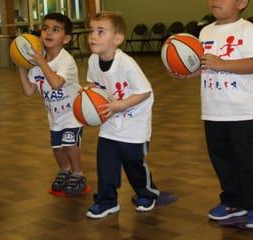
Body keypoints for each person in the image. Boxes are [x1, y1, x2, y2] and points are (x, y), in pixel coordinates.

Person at [193, 0, 253, 229]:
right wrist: (186, 70)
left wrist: (221, 64)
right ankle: (232, 200)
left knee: (248, 161)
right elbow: (203, 65)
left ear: (242, 2)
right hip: (213, 111)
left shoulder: (248, 30)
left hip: (242, 112)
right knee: (222, 160)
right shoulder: (204, 32)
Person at [84, 12, 177, 219]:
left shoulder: (126, 64)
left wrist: (120, 105)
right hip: (109, 125)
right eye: (91, 31)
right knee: (105, 165)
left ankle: (147, 194)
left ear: (117, 39)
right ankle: (107, 201)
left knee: (134, 164)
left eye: (100, 32)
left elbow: (144, 91)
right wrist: (88, 97)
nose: (93, 36)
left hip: (134, 125)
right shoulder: (92, 60)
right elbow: (94, 85)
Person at [17, 13, 87, 196]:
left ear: (66, 38)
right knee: (57, 149)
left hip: (73, 114)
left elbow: (56, 83)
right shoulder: (36, 65)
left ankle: (78, 173)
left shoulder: (66, 61)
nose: (48, 32)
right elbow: (29, 91)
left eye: (55, 30)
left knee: (69, 145)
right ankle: (64, 171)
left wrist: (40, 61)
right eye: (45, 28)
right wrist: (21, 67)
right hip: (54, 117)